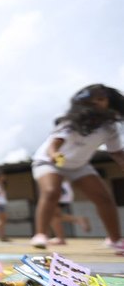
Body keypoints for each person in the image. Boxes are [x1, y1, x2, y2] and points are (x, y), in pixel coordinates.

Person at [30, 83, 124, 252]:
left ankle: (115, 239)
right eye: (95, 100)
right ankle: (41, 235)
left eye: (103, 99)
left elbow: (117, 152)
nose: (99, 103)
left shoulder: (109, 128)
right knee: (51, 191)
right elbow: (55, 144)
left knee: (103, 198)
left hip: (78, 165)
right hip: (49, 161)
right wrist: (54, 155)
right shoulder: (71, 122)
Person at [48, 180, 91, 245]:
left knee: (52, 215)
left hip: (60, 189)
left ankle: (61, 238)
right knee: (54, 215)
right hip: (62, 189)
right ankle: (60, 239)